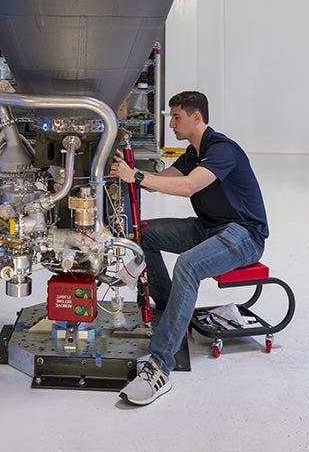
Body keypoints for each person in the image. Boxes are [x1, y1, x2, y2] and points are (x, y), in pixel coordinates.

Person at [110, 90, 268, 405]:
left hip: (244, 234)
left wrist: (137, 176)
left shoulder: (222, 149)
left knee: (189, 264)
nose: (172, 125)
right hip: (209, 227)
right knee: (145, 233)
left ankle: (160, 366)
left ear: (197, 117)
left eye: (177, 118)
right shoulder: (192, 153)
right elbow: (164, 177)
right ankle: (170, 308)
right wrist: (122, 177)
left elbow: (188, 186)